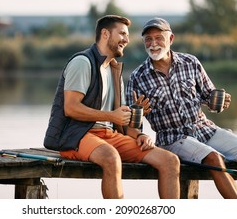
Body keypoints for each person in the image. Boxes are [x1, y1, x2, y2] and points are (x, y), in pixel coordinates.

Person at [126, 17, 237, 199]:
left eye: (159, 38)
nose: (153, 44)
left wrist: (219, 100)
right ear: (143, 43)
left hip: (204, 129)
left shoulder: (191, 63)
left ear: (170, 39)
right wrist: (137, 113)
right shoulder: (137, 78)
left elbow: (209, 96)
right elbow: (131, 126)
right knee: (214, 159)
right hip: (173, 138)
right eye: (148, 39)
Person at [44, 15, 180, 199]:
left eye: (127, 35)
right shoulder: (82, 62)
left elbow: (120, 119)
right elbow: (71, 108)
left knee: (170, 161)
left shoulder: (114, 69)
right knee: (111, 158)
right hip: (76, 135)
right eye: (122, 33)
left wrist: (139, 134)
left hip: (108, 136)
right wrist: (111, 116)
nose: (127, 39)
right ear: (105, 34)